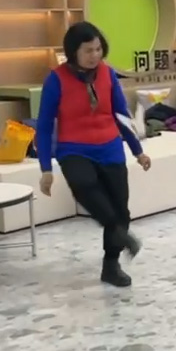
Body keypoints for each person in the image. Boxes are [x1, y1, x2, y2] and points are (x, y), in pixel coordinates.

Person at [36, 21, 152, 288]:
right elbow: (44, 126)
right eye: (88, 50)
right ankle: (121, 234)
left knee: (120, 211)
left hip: (109, 147)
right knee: (84, 185)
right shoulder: (56, 80)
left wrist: (137, 151)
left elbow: (121, 115)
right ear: (73, 52)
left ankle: (111, 266)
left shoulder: (108, 74)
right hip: (73, 149)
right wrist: (46, 169)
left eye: (98, 49)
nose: (95, 55)